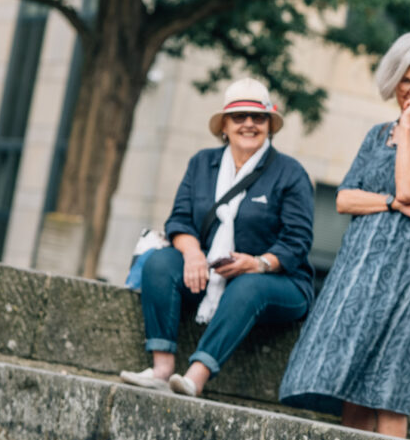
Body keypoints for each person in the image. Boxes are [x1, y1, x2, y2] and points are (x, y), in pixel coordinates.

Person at [278, 34, 410, 438]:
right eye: (406, 81)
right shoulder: (375, 134)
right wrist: (392, 204)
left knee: (390, 372)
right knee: (352, 371)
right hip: (359, 260)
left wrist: (406, 130)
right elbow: (344, 199)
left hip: (405, 261)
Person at [120, 80, 314, 397]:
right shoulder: (201, 163)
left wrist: (258, 263)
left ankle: (195, 377)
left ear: (269, 125)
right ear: (224, 126)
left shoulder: (290, 173)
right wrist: (193, 254)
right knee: (160, 264)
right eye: (239, 117)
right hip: (209, 269)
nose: (249, 123)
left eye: (258, 117)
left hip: (278, 281)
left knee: (247, 285)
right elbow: (179, 220)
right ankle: (161, 369)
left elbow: (297, 241)